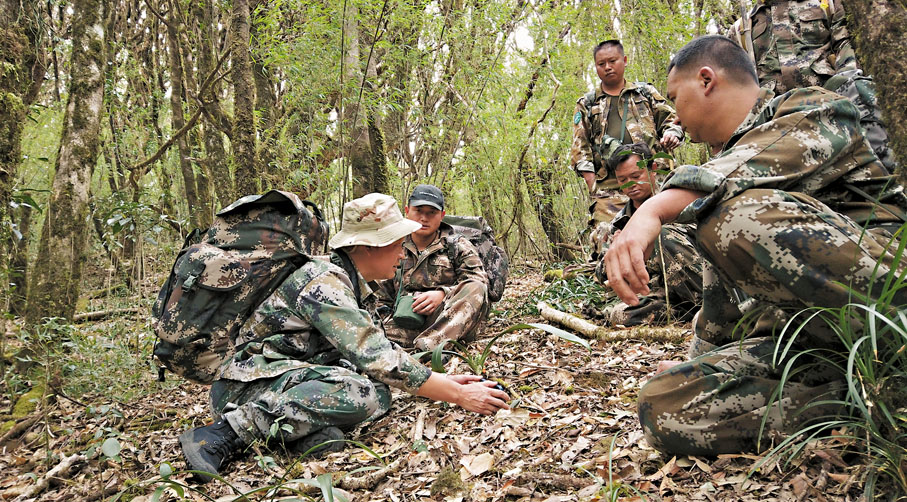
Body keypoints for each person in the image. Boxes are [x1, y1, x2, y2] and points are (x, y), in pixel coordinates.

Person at [603, 35, 906, 456]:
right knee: (664, 404)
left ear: (706, 80)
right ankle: (867, 399)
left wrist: (651, 210)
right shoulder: (720, 177)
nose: (676, 115)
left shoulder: (812, 106)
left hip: (888, 299)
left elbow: (736, 174)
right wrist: (698, 362)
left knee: (730, 215)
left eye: (675, 98)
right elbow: (719, 303)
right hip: (815, 341)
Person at [179, 193, 509, 480]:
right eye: (396, 243)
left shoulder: (352, 282)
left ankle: (299, 435)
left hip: (288, 378)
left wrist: (443, 380)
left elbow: (378, 350)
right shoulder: (324, 282)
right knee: (361, 393)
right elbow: (379, 358)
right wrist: (457, 394)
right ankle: (222, 434)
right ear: (368, 246)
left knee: (377, 392)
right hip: (246, 387)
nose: (402, 253)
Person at [728, 0, 894, 171]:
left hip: (838, 106)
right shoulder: (741, 30)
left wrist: (842, 98)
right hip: (783, 127)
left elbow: (846, 51)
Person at [570, 39, 684, 257]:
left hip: (653, 178)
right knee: (608, 240)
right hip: (611, 187)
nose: (607, 67)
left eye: (612, 61)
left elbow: (672, 121)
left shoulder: (645, 93)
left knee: (670, 232)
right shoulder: (588, 103)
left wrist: (672, 134)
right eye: (601, 64)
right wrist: (593, 185)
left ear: (624, 60)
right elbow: (580, 148)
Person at [594, 143, 702, 326]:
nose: (631, 184)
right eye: (622, 180)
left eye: (636, 176)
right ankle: (688, 312)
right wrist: (619, 250)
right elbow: (601, 272)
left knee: (662, 235)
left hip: (699, 277)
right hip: (661, 291)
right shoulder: (620, 223)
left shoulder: (677, 198)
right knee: (620, 315)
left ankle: (711, 305)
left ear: (653, 170)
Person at [378, 184, 489, 352]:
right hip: (404, 323)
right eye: (418, 211)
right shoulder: (394, 246)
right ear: (407, 211)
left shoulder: (457, 245)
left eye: (432, 212)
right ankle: (420, 346)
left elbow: (478, 282)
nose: (424, 218)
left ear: (442, 215)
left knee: (476, 287)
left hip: (449, 320)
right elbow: (380, 295)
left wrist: (443, 294)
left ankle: (430, 347)